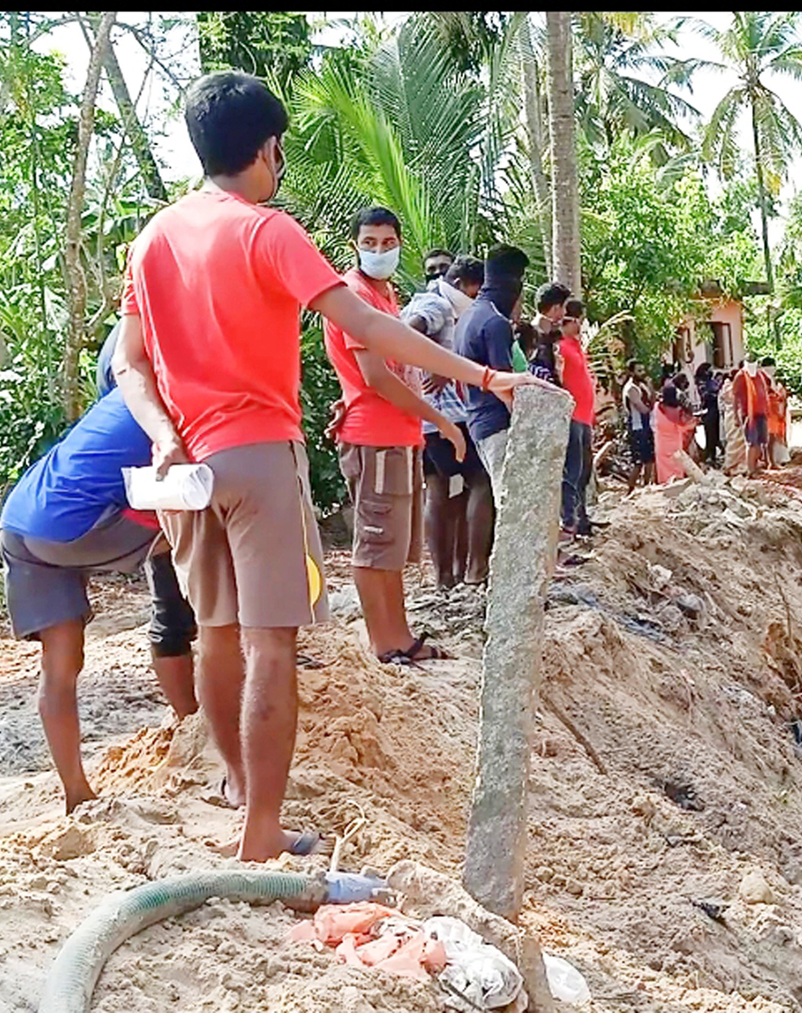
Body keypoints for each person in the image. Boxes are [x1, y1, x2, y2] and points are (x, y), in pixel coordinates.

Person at [112, 70, 550, 861]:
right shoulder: (267, 231)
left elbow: (130, 369)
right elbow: (370, 332)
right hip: (256, 453)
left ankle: (239, 785)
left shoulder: (151, 240)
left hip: (182, 463)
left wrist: (163, 433)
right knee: (270, 641)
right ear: (267, 150)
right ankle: (261, 830)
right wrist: (484, 377)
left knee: (215, 633)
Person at [1, 330, 199, 814]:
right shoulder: (175, 403)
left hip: (21, 521)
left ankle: (77, 793)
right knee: (200, 522)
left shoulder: (116, 393)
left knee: (60, 669)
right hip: (76, 524)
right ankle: (209, 728)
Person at [323, 206, 461, 664]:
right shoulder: (354, 296)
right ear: (354, 246)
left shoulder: (385, 296)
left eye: (387, 242)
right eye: (370, 242)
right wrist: (438, 419)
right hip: (376, 435)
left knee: (394, 548)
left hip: (397, 435)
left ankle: (398, 634)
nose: (379, 251)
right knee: (377, 543)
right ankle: (384, 643)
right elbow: (376, 377)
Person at [403, 255, 489, 588]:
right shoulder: (436, 304)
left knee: (444, 493)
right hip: (447, 416)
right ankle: (470, 571)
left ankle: (448, 577)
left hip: (429, 416)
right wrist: (438, 364)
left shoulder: (428, 302)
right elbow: (408, 334)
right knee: (479, 483)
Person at [455, 245, 532, 485]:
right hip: (499, 425)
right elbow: (503, 383)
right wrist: (524, 428)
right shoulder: (495, 323)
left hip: (477, 421)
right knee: (512, 505)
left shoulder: (468, 316)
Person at [556, 301, 599, 538]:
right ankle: (569, 520)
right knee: (572, 471)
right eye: (578, 319)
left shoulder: (577, 347)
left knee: (584, 471)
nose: (581, 324)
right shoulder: (560, 348)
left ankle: (582, 518)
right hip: (571, 416)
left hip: (585, 417)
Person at [652, 385, 699, 484]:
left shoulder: (657, 406)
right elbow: (684, 425)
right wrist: (694, 421)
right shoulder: (676, 410)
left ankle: (664, 484)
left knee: (663, 468)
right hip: (674, 443)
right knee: (676, 467)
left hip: (661, 443)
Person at [731, 358, 770, 475]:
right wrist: (735, 416)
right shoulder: (741, 376)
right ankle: (750, 470)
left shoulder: (760, 375)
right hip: (748, 414)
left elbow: (766, 389)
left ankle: (757, 466)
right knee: (752, 442)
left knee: (762, 442)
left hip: (761, 413)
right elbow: (735, 398)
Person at [622, 360, 656, 489]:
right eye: (639, 371)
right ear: (631, 372)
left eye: (643, 370)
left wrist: (651, 388)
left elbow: (651, 401)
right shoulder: (631, 388)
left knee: (649, 459)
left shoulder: (642, 385)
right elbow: (643, 408)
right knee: (638, 462)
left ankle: (646, 487)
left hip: (646, 426)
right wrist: (651, 406)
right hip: (637, 427)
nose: (642, 373)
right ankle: (630, 488)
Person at [762, 356, 789, 468]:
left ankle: (771, 460)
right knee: (769, 438)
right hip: (769, 412)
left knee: (773, 437)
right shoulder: (763, 379)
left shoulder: (771, 379)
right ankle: (770, 461)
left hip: (775, 412)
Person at [695, 362, 723, 464]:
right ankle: (710, 456)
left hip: (716, 408)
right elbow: (706, 395)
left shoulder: (711, 381)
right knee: (710, 433)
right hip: (709, 409)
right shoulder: (701, 382)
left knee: (716, 433)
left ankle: (714, 455)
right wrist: (716, 392)